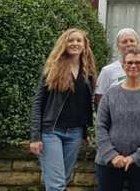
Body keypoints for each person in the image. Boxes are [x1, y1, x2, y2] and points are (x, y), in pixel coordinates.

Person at [29, 28, 97, 191]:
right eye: (71, 40)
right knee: (57, 184)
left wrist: (86, 131)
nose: (75, 43)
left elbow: (88, 103)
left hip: (75, 133)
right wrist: (35, 136)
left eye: (78, 40)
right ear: (64, 44)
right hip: (52, 132)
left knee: (62, 180)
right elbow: (38, 103)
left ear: (84, 45)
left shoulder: (88, 72)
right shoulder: (52, 69)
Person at [95, 46, 140, 191]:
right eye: (130, 62)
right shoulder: (110, 94)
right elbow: (100, 126)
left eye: (138, 62)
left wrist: (135, 158)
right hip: (110, 163)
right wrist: (112, 156)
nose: (133, 66)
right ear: (123, 65)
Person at [95, 28, 140, 107]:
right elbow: (100, 98)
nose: (128, 44)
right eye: (124, 41)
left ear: (137, 43)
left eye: (132, 41)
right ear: (118, 46)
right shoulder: (107, 71)